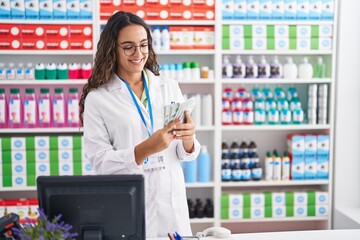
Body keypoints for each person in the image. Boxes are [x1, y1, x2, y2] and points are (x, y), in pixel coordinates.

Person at [79, 11, 201, 237]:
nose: (138, 53)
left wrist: (189, 139)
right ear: (112, 49)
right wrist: (144, 149)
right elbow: (100, 162)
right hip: (129, 204)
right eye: (128, 47)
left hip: (171, 206)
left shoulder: (168, 86)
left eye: (143, 45)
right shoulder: (98, 99)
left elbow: (187, 155)